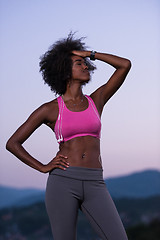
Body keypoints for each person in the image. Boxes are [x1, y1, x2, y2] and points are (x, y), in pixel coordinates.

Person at [6, 33, 131, 240]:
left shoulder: (96, 101)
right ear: (64, 71)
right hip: (63, 182)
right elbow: (13, 143)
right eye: (79, 63)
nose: (86, 66)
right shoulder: (50, 109)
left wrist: (90, 54)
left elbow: (125, 65)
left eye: (85, 63)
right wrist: (43, 166)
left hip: (95, 182)